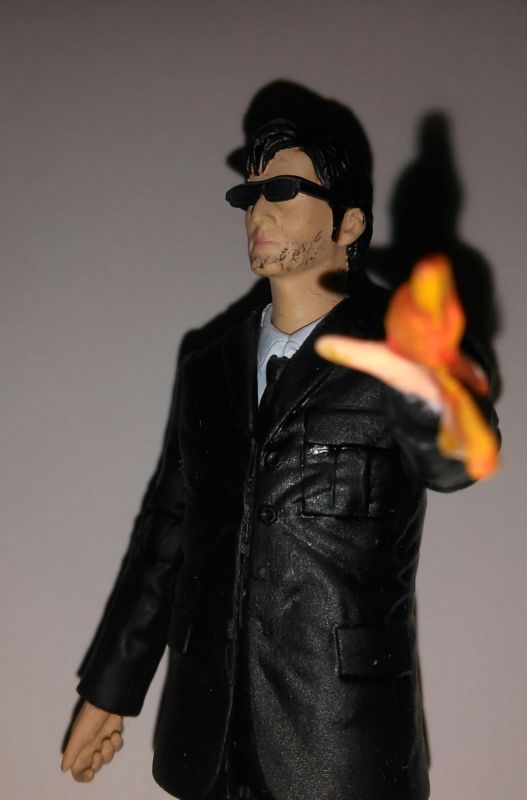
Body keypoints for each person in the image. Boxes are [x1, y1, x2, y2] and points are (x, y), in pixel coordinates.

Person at [61, 119, 497, 800]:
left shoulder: (395, 358)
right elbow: (167, 534)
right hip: (207, 732)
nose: (259, 212)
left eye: (285, 192)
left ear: (349, 224)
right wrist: (110, 689)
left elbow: (457, 465)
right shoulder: (208, 369)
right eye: (251, 196)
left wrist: (432, 389)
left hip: (342, 737)